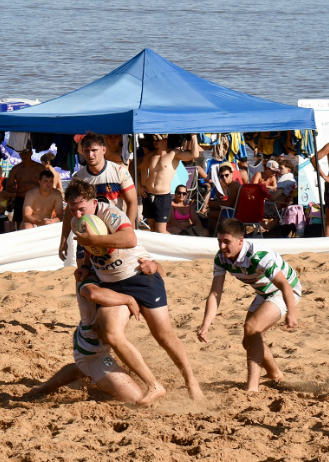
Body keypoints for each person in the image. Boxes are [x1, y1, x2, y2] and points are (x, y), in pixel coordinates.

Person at [65, 179, 204, 401]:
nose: (78, 214)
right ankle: (153, 385)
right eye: (73, 210)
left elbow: (130, 238)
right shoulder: (77, 222)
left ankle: (191, 382)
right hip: (111, 284)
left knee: (164, 336)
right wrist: (84, 268)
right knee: (111, 333)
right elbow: (89, 249)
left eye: (82, 209)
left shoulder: (110, 213)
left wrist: (93, 239)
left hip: (140, 276)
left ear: (94, 203)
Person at [27, 264, 161, 405]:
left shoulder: (113, 273)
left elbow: (159, 271)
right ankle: (92, 384)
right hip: (91, 350)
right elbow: (92, 293)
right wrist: (129, 299)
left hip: (93, 345)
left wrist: (152, 264)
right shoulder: (89, 277)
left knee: (81, 368)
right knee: (135, 399)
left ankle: (42, 389)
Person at [197, 218, 300, 392]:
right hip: (264, 292)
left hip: (285, 290)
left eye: (226, 242)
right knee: (248, 341)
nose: (222, 247)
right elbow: (215, 293)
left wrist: (291, 312)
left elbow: (285, 286)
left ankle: (252, 388)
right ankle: (274, 373)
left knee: (252, 328)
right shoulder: (221, 258)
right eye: (219, 241)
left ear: (240, 241)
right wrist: (206, 324)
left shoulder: (258, 255)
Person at [59, 131, 138, 260]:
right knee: (84, 271)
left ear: (103, 150)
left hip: (112, 229)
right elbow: (70, 210)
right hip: (86, 228)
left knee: (114, 270)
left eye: (94, 150)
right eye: (87, 151)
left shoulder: (119, 172)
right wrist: (63, 240)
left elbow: (132, 202)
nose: (90, 155)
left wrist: (129, 229)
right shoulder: (79, 178)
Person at [140, 134, 199, 233]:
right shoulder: (150, 155)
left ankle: (177, 247)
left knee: (161, 231)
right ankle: (157, 249)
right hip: (147, 195)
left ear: (165, 141)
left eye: (157, 140)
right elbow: (138, 169)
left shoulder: (173, 154)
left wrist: (193, 136)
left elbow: (194, 155)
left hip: (162, 197)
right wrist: (139, 186)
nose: (154, 141)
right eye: (153, 139)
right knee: (152, 228)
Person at [0, 148, 47, 229]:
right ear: (19, 154)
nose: (24, 155)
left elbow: (48, 184)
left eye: (26, 153)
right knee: (20, 226)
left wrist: (34, 186)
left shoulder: (40, 168)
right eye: (22, 153)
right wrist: (19, 190)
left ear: (31, 153)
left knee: (39, 224)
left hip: (37, 200)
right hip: (21, 199)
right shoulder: (16, 169)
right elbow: (8, 187)